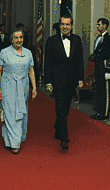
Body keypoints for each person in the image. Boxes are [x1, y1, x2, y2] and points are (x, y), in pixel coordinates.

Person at [44, 14, 84, 149]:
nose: (65, 27)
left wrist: (80, 78)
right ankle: (64, 137)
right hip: (57, 80)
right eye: (62, 24)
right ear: (59, 26)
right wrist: (48, 81)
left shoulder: (77, 40)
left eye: (67, 24)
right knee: (60, 107)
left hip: (72, 80)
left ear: (71, 26)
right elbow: (47, 63)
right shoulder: (51, 41)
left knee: (66, 107)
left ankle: (57, 125)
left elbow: (80, 60)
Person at [0, 28, 37, 154]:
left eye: (21, 37)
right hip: (7, 85)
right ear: (11, 39)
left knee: (20, 111)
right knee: (9, 112)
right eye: (16, 38)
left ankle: (13, 139)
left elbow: (31, 71)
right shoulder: (4, 52)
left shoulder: (28, 53)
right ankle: (14, 143)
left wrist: (34, 87)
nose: (19, 40)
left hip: (23, 86)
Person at [90, 18, 110, 120]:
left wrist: (108, 71)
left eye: (98, 24)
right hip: (98, 67)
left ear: (104, 26)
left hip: (105, 68)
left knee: (104, 92)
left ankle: (104, 113)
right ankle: (99, 111)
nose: (97, 26)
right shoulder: (98, 38)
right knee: (99, 90)